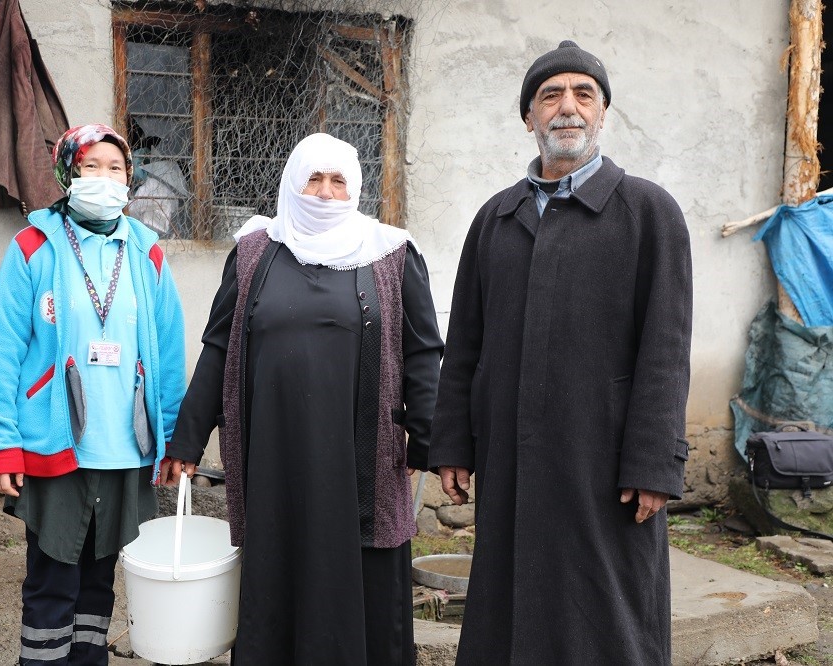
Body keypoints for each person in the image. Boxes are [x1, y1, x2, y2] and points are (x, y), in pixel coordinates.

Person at [429, 41, 693, 665]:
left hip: (603, 463)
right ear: (529, 117)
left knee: (607, 610)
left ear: (603, 113)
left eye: (583, 94)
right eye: (550, 95)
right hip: (509, 455)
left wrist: (655, 461)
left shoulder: (649, 212)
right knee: (509, 602)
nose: (567, 108)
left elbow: (667, 348)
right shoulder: (497, 218)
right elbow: (465, 342)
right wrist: (452, 445)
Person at [165, 133, 443, 665]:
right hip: (276, 463)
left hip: (357, 464)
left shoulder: (390, 254)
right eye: (313, 179)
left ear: (355, 189)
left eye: (338, 181)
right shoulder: (254, 252)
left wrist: (427, 445)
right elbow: (219, 348)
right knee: (277, 581)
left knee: (365, 593)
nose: (324, 192)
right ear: (292, 183)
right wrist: (187, 439)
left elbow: (423, 355)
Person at [0, 123, 186, 665]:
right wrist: (2, 443)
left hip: (125, 451)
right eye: (90, 166)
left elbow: (168, 353)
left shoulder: (148, 254)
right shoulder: (32, 247)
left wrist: (169, 441)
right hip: (55, 448)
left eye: (115, 168)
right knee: (52, 581)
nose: (104, 178)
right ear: (68, 174)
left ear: (129, 178)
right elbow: (0, 351)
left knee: (98, 588)